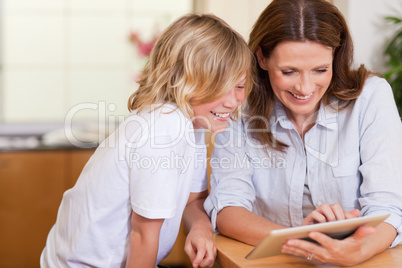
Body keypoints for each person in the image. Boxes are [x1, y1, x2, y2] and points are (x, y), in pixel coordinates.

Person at [40, 14, 254, 268]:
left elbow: (193, 200)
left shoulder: (190, 122)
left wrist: (201, 227)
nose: (232, 101)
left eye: (239, 86)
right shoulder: (165, 128)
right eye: (219, 88)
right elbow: (143, 234)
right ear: (183, 81)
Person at [204, 0, 402, 266]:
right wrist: (304, 240)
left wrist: (358, 249)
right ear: (262, 58)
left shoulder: (371, 98)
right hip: (275, 261)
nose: (305, 87)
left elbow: (389, 208)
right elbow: (228, 208)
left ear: (336, 54)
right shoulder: (240, 105)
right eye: (289, 71)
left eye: (320, 70)